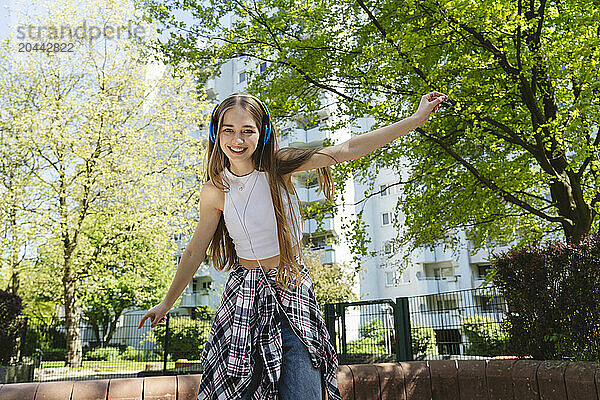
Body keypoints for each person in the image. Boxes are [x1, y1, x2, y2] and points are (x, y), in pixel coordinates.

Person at [137, 91, 447, 400]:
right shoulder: (215, 189)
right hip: (244, 297)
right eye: (228, 130)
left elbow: (345, 149)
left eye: (248, 131)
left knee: (302, 386)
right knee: (235, 388)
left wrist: (416, 119)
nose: (237, 139)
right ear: (216, 133)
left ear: (263, 133)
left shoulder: (278, 167)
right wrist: (166, 303)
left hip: (290, 288)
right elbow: (194, 251)